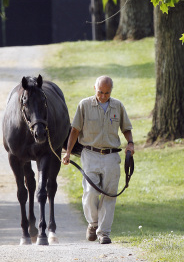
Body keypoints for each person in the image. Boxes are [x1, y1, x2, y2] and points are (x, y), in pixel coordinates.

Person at [62, 75, 134, 244]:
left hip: (111, 155)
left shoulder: (118, 106)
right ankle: (93, 224)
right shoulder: (84, 105)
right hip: (90, 155)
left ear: (111, 91)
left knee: (109, 195)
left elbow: (126, 128)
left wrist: (130, 144)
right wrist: (68, 152)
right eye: (100, 92)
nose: (103, 96)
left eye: (107, 93)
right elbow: (74, 131)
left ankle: (104, 232)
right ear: (94, 89)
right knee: (90, 193)